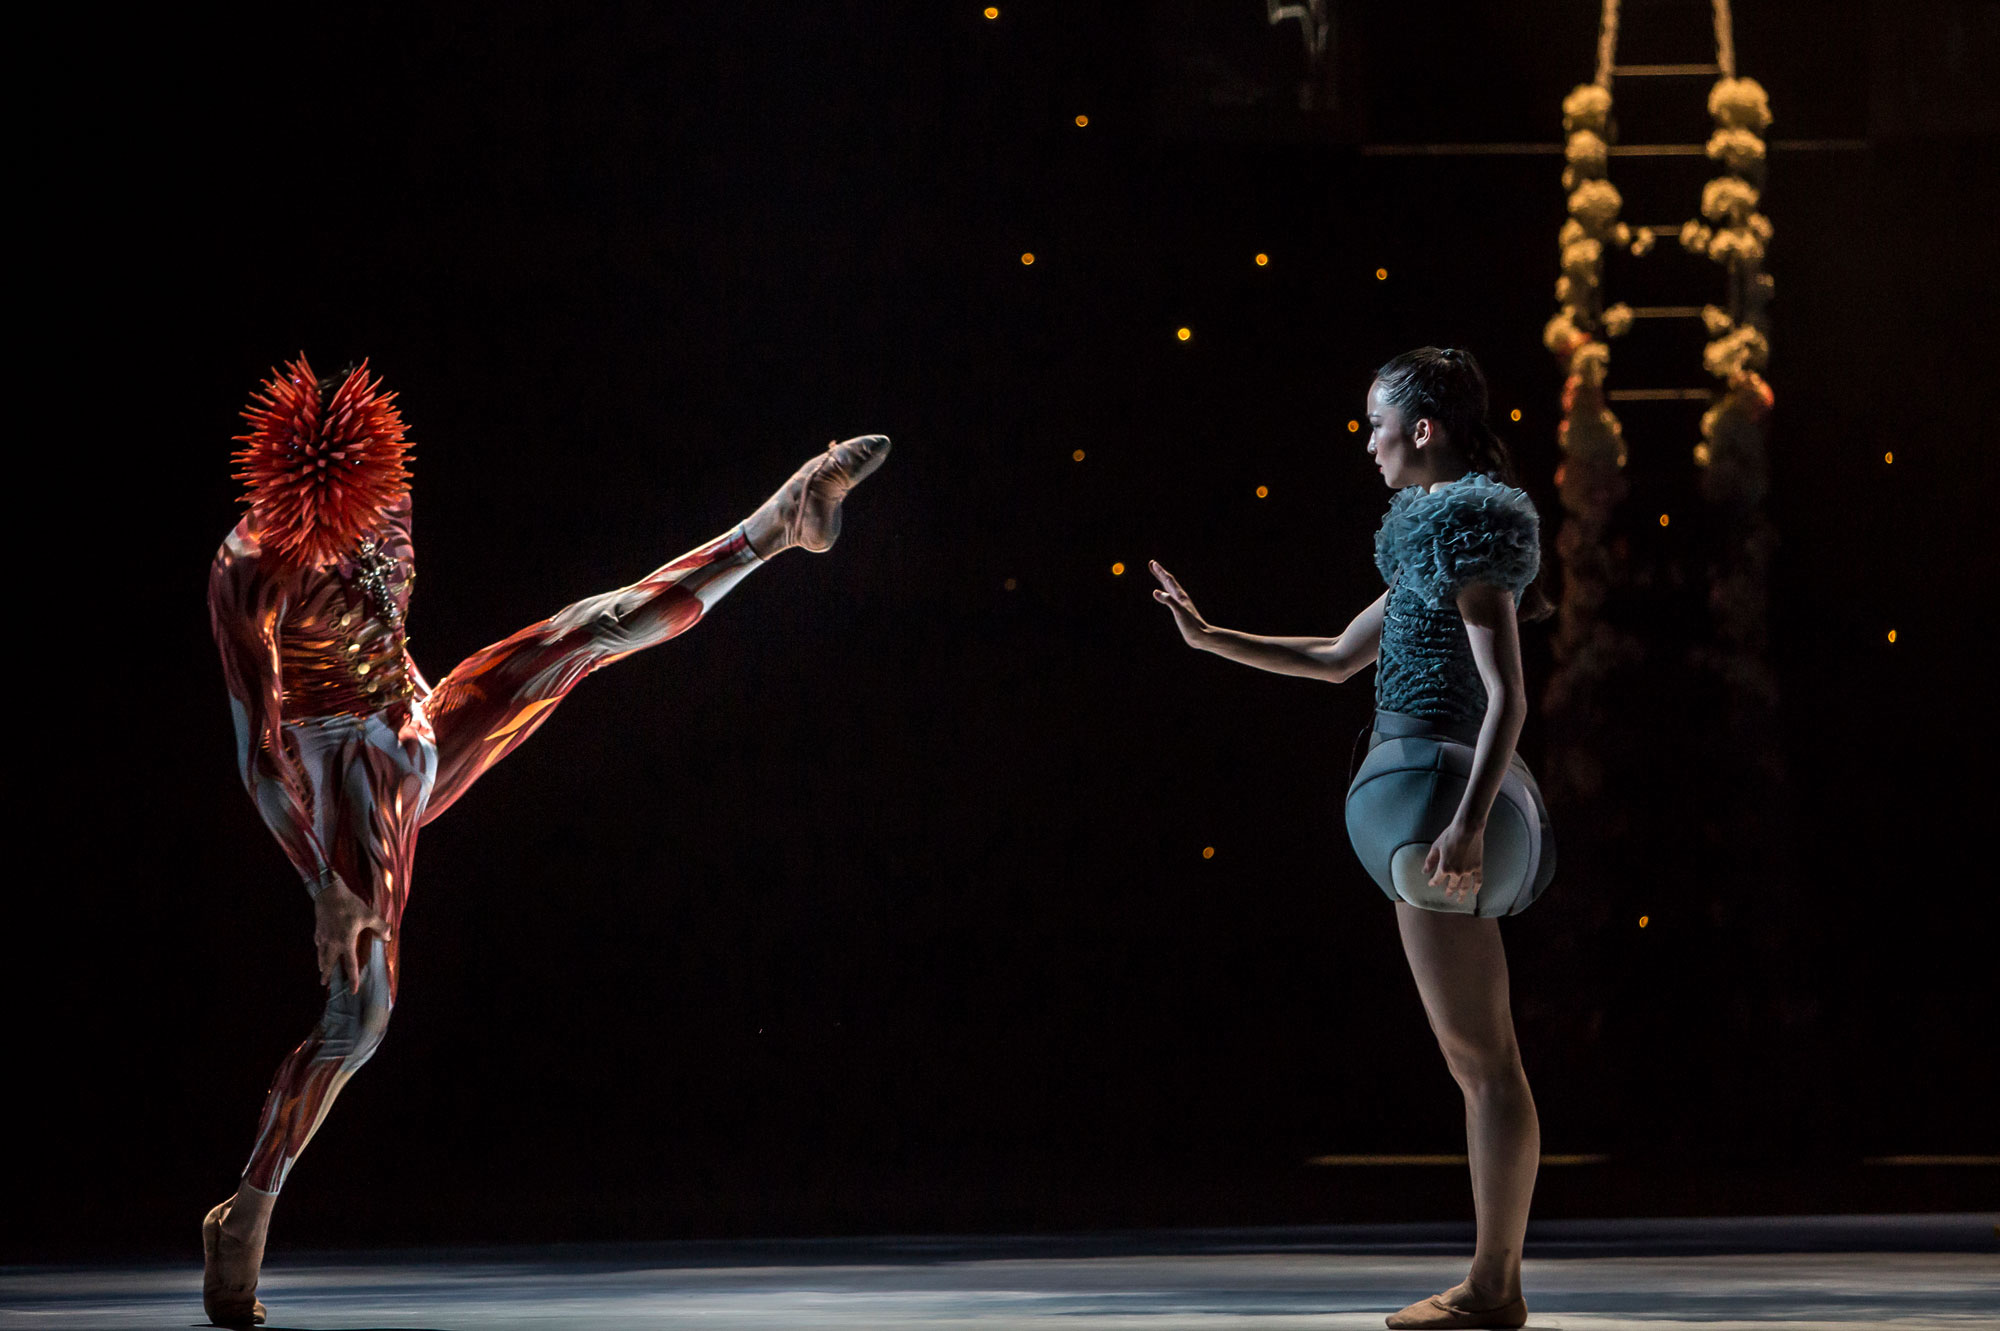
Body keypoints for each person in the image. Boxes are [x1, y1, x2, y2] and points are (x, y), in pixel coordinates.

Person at [201, 355, 889, 1327]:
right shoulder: (245, 564)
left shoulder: (389, 495)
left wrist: (413, 725)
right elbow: (260, 758)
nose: (369, 534)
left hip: (410, 724)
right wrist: (325, 884)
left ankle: (773, 525)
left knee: (587, 630)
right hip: (334, 769)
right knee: (364, 1013)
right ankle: (247, 1214)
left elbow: (389, 645)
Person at [1151, 346, 1552, 1331]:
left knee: (1482, 1063)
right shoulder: (1429, 534)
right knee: (1480, 1060)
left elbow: (1508, 696)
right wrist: (1210, 636)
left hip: (1440, 803)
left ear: (1420, 429)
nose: (1364, 440)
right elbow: (1336, 656)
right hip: (1427, 798)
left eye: (1374, 421)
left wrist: (1459, 823)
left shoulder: (1459, 526)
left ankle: (1493, 1287)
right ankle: (1491, 1280)